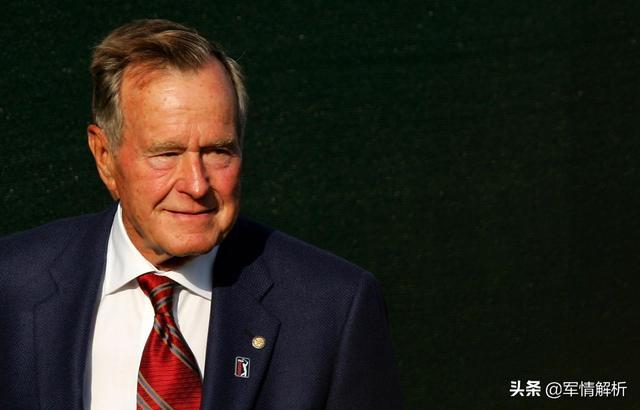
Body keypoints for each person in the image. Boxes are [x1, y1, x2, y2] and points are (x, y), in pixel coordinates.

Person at [0, 19, 402, 409]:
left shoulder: (331, 306)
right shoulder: (12, 286)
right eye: (167, 153)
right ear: (104, 156)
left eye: (218, 151)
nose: (196, 185)